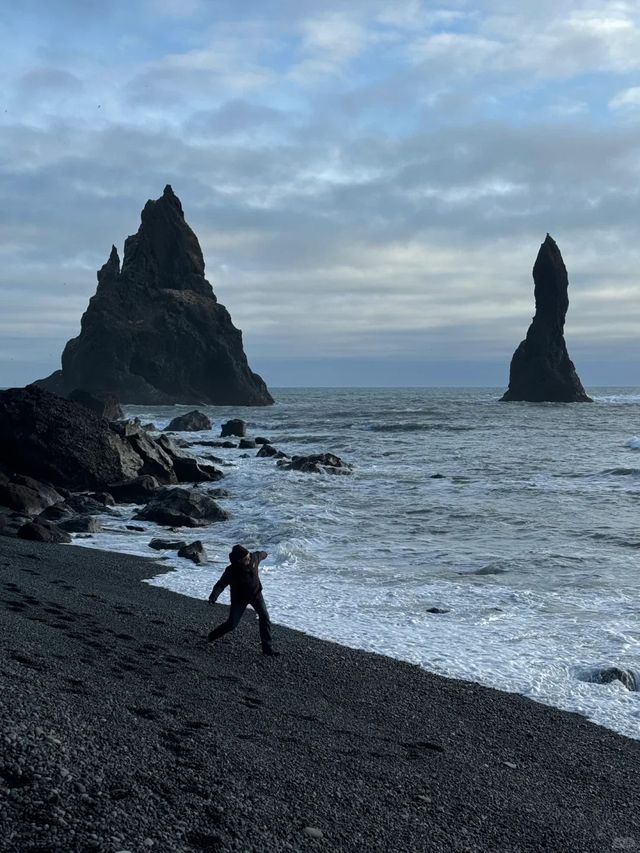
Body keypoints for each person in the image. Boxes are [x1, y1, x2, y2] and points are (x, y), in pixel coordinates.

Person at [207, 544, 280, 656]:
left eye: (249, 556)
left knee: (265, 617)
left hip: (256, 595)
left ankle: (267, 648)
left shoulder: (254, 557)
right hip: (239, 599)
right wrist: (213, 596)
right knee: (232, 624)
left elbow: (261, 554)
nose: (249, 559)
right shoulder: (231, 570)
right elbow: (220, 585)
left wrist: (267, 553)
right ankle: (211, 637)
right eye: (246, 558)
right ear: (239, 560)